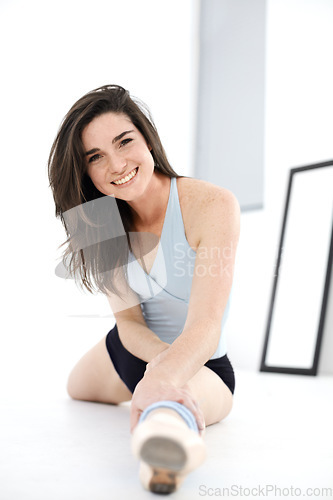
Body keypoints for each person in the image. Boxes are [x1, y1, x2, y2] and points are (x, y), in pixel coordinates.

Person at [48, 84, 240, 494]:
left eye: (124, 142)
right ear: (86, 174)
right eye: (95, 157)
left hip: (199, 362)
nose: (116, 164)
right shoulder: (96, 221)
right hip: (132, 348)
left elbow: (206, 325)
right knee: (75, 389)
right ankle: (157, 398)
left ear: (147, 138)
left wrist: (165, 377)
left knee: (166, 409)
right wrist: (154, 367)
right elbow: (128, 322)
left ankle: (162, 457)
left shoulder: (211, 204)